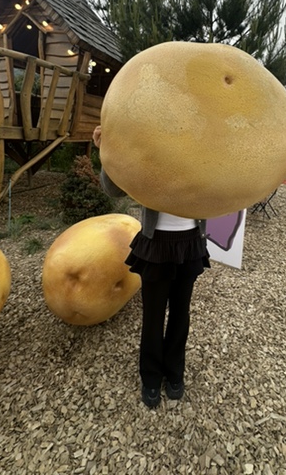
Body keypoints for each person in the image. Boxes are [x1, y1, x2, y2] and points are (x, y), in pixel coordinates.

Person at [93, 126, 210, 409]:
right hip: (156, 242)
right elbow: (113, 190)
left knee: (180, 313)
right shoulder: (148, 147)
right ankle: (151, 377)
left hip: (190, 242)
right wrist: (106, 151)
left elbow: (224, 185)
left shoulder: (201, 147)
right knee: (153, 315)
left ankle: (175, 372)